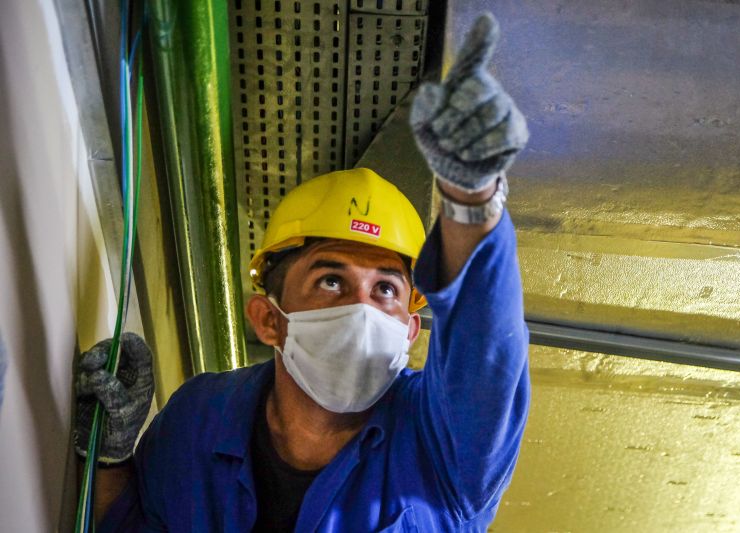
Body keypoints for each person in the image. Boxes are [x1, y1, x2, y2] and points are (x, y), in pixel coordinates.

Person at [74, 13, 531, 532]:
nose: (360, 308)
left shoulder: (440, 448)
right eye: (331, 280)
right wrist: (109, 456)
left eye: (385, 288)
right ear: (269, 320)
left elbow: (486, 347)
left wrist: (471, 194)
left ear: (410, 328)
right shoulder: (198, 422)